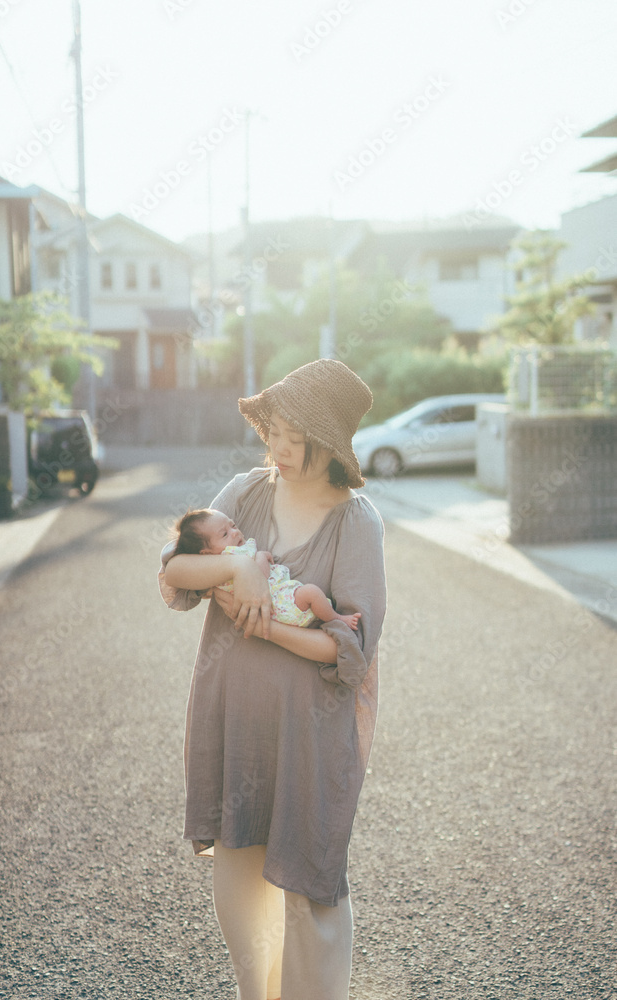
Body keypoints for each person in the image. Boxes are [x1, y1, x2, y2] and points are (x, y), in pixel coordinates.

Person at [159, 359, 387, 1000]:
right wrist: (246, 571)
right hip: (234, 723)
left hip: (310, 734)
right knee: (240, 866)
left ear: (329, 442)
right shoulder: (245, 492)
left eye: (293, 436)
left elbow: (349, 651)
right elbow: (175, 572)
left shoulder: (356, 522)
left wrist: (267, 627)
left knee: (312, 882)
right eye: (273, 432)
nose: (277, 449)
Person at [165, 506, 362, 630]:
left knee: (311, 595)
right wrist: (259, 556)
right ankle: (336, 618)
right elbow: (259, 576)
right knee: (311, 592)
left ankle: (329, 618)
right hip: (278, 604)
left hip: (278, 604)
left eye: (233, 525)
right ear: (206, 553)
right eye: (224, 534)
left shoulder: (222, 560)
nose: (235, 532)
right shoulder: (227, 559)